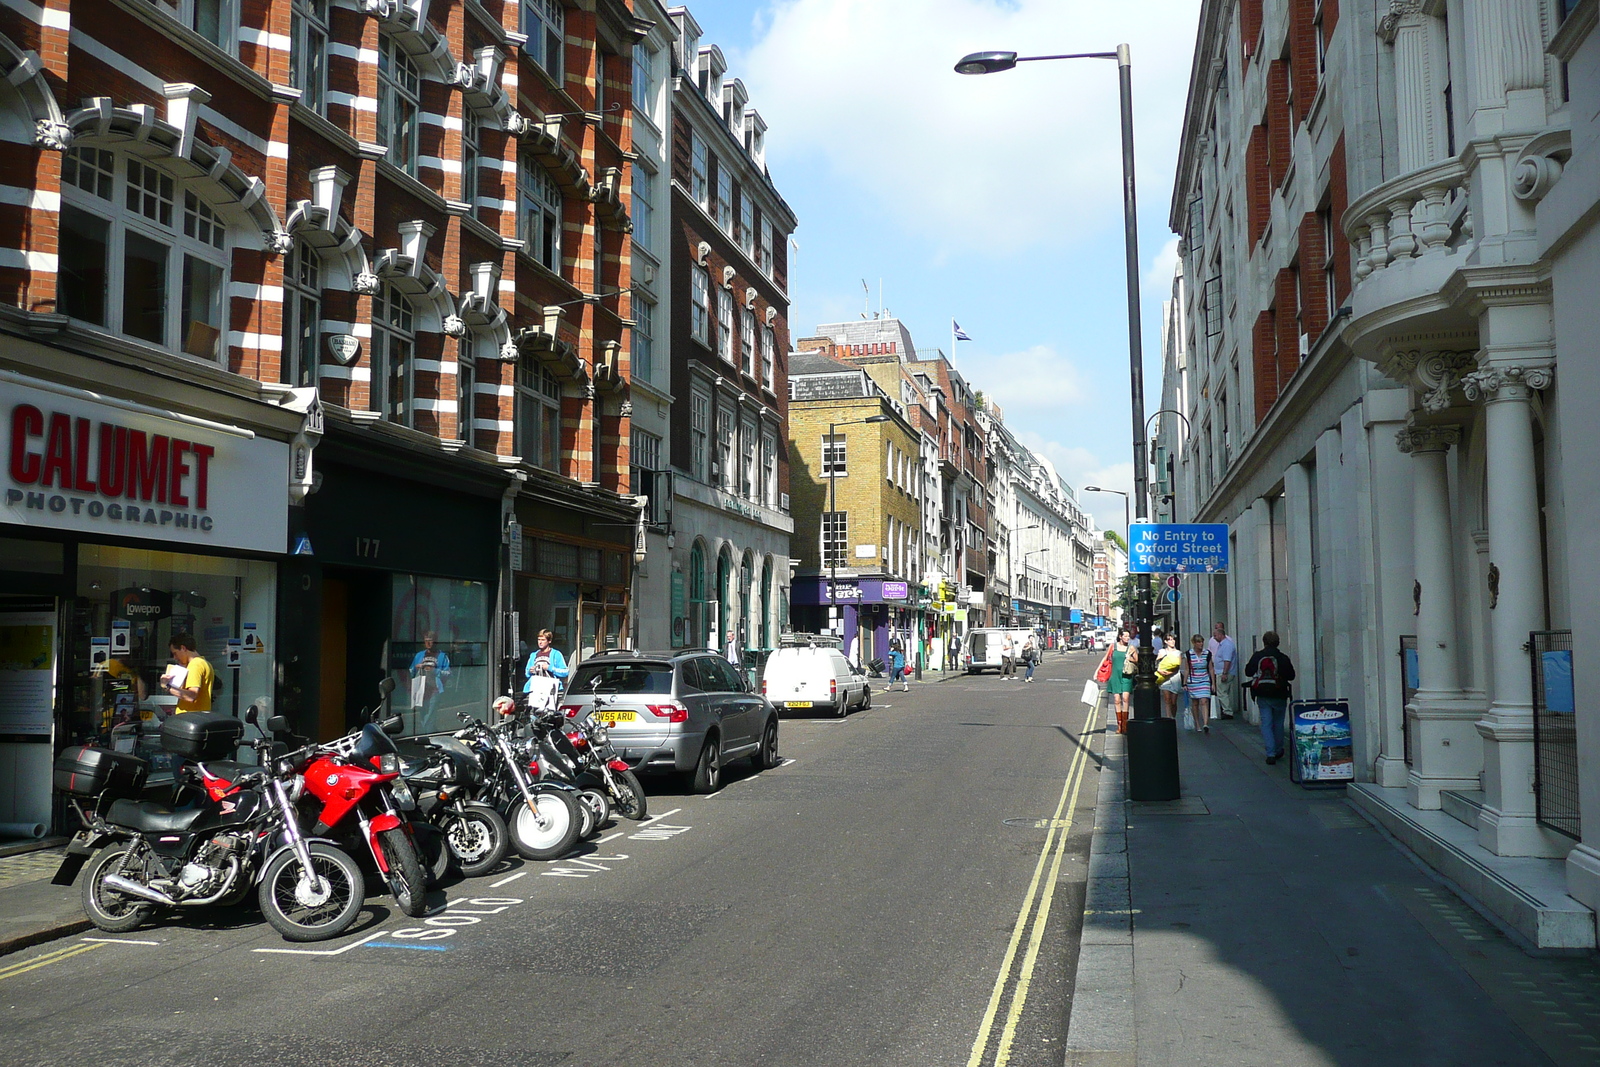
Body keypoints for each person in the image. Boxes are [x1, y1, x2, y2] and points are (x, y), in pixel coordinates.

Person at [1244, 630, 1297, 763]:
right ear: (1278, 643)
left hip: (1262, 693)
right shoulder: (1282, 657)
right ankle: (1279, 749)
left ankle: (1270, 753)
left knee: (1266, 723)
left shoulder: (1258, 656)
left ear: (1264, 642)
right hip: (1279, 693)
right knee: (1278, 723)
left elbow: (1248, 671)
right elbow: (1291, 675)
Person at [162, 633, 215, 713]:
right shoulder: (204, 663)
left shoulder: (195, 665)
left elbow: (191, 696)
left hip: (190, 718)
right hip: (198, 717)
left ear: (183, 648)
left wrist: (167, 687)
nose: (175, 658)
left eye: (175, 653)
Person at [408, 630, 452, 717]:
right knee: (422, 716)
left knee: (430, 717)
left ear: (435, 641)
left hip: (434, 690)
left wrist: (433, 670)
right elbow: (411, 671)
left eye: (430, 640)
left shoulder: (442, 656)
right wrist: (416, 668)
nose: (428, 643)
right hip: (421, 690)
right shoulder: (419, 655)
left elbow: (448, 673)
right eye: (426, 640)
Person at [1182, 633, 1216, 733]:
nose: (1201, 644)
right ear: (1194, 643)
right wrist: (1184, 683)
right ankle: (1197, 724)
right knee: (1195, 703)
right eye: (1198, 642)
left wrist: (1213, 683)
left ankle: (1205, 723)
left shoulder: (1207, 653)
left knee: (1204, 700)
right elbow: (1187, 669)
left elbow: (1211, 668)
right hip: (1193, 681)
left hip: (1204, 679)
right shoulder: (1189, 654)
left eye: (1202, 642)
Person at [1207, 621, 1238, 719]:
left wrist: (1224, 673)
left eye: (1215, 635)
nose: (1214, 638)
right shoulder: (1222, 644)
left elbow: (1227, 660)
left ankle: (1227, 711)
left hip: (1224, 672)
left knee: (1222, 692)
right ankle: (1226, 710)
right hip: (1220, 671)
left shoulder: (1227, 645)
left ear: (1221, 635)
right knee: (1224, 692)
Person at [1107, 630, 1135, 733]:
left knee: (1125, 698)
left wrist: (1130, 658)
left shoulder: (1131, 648)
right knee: (1116, 700)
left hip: (1126, 675)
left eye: (1129, 636)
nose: (1128, 638)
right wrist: (1098, 671)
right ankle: (1119, 725)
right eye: (1126, 636)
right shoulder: (1112, 646)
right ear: (1120, 637)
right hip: (1115, 676)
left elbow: (1137, 660)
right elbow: (1106, 659)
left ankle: (1125, 725)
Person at [1155, 632, 1184, 718]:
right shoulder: (1162, 651)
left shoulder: (1178, 653)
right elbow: (1156, 662)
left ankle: (1173, 716)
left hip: (1174, 677)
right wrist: (1159, 671)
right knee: (1167, 699)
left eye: (1173, 639)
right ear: (1165, 642)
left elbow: (1178, 666)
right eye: (1170, 640)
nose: (1172, 641)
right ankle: (1168, 718)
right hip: (1164, 678)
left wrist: (1169, 673)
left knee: (1173, 701)